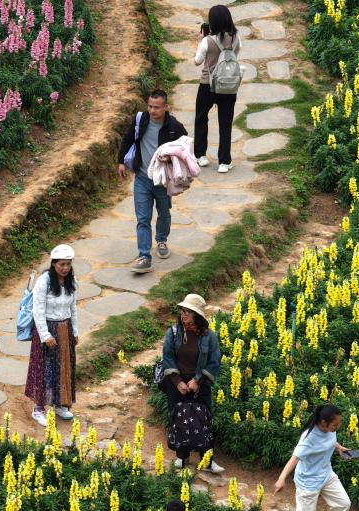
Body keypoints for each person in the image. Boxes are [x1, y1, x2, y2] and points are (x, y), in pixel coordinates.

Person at [117, 90, 188, 274]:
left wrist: (171, 159)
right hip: (142, 178)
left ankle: (161, 239)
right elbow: (128, 138)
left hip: (162, 181)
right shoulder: (141, 120)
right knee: (143, 219)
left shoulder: (174, 126)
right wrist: (121, 161)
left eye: (156, 107)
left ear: (166, 107)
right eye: (149, 106)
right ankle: (144, 257)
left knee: (164, 213)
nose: (152, 110)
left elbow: (186, 149)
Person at [274, 404, 353, 511]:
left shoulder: (330, 429)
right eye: (335, 425)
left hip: (326, 474)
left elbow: (330, 440)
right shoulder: (308, 438)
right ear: (323, 422)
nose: (337, 427)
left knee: (343, 503)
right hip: (308, 482)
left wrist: (339, 448)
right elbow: (294, 458)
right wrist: (281, 479)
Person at [161, 293, 224, 473]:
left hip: (200, 386)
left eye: (187, 311)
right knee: (179, 418)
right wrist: (178, 381)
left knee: (204, 420)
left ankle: (208, 461)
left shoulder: (209, 337)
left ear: (197, 315)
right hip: (177, 386)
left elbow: (214, 362)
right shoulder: (174, 333)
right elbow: (167, 357)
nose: (183, 314)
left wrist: (197, 380)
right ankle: (182, 456)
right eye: (182, 311)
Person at [25, 244, 79, 427]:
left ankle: (61, 404)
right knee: (44, 369)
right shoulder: (44, 282)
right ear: (54, 264)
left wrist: (75, 331)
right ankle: (38, 409)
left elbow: (73, 308)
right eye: (62, 264)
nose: (65, 268)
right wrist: (45, 335)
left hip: (65, 329)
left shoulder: (71, 281)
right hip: (47, 330)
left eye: (68, 264)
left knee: (64, 367)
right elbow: (37, 310)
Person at [194, 5, 241, 173]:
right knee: (225, 123)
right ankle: (224, 162)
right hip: (228, 86)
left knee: (201, 118)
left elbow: (197, 61)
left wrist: (200, 40)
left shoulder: (207, 40)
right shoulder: (236, 38)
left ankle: (200, 156)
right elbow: (233, 57)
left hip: (207, 85)